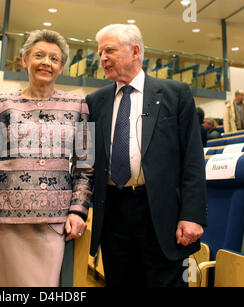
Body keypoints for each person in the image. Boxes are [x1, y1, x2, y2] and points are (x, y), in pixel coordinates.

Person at [0, 29, 93, 287]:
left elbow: (85, 166)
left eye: (54, 58)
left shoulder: (79, 106)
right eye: (39, 55)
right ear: (24, 60)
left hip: (52, 225)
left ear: (61, 67)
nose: (46, 62)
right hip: (1, 225)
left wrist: (78, 211)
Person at [86, 24, 206, 287]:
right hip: (114, 213)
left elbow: (193, 160)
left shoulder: (176, 94)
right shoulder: (94, 102)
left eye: (110, 50)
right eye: (100, 52)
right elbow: (87, 162)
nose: (102, 58)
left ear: (135, 51)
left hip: (161, 213)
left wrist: (193, 215)